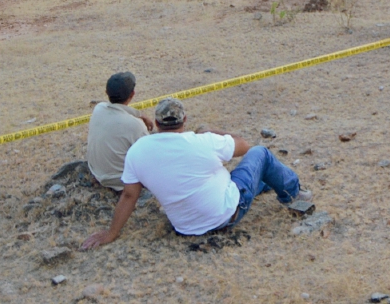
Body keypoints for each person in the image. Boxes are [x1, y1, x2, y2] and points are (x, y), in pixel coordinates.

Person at [80, 98, 308, 248]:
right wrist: (213, 131)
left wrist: (111, 233)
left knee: (243, 174)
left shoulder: (137, 150)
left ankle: (268, 182)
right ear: (185, 120)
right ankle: (293, 194)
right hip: (227, 214)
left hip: (185, 226)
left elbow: (129, 196)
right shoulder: (204, 141)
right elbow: (246, 146)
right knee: (261, 154)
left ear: (157, 123)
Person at [86, 72, 154, 191]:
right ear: (132, 94)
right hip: (121, 180)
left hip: (96, 171)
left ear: (106, 92)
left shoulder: (99, 108)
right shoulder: (135, 125)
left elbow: (121, 110)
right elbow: (150, 157)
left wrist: (140, 114)